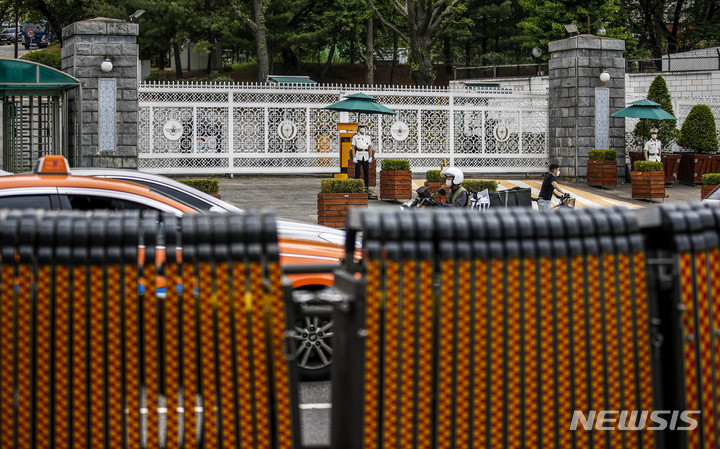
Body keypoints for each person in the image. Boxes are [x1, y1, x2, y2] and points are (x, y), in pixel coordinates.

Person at [351, 125, 373, 192]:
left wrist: (371, 156)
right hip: (358, 155)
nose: (362, 128)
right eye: (360, 127)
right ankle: (356, 188)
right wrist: (354, 157)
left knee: (366, 172)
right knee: (357, 172)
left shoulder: (367, 137)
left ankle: (366, 188)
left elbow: (370, 147)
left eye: (363, 127)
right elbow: (353, 147)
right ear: (358, 128)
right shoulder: (355, 137)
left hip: (366, 155)